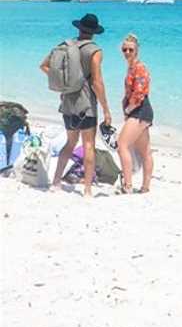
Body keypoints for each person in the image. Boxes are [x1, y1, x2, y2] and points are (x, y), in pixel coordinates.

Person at [39, 13, 111, 197]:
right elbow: (97, 81)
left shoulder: (65, 46)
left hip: (67, 103)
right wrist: (106, 109)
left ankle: (56, 182)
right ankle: (87, 189)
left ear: (79, 28)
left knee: (70, 143)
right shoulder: (94, 50)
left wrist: (64, 82)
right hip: (86, 104)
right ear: (94, 32)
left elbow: (44, 66)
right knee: (88, 145)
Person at [117, 33, 154, 194]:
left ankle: (128, 185)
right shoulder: (131, 67)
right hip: (140, 110)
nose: (127, 52)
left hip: (140, 110)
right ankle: (145, 187)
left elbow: (138, 94)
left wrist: (127, 110)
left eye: (130, 50)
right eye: (124, 49)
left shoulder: (139, 67)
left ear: (137, 50)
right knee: (145, 151)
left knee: (122, 145)